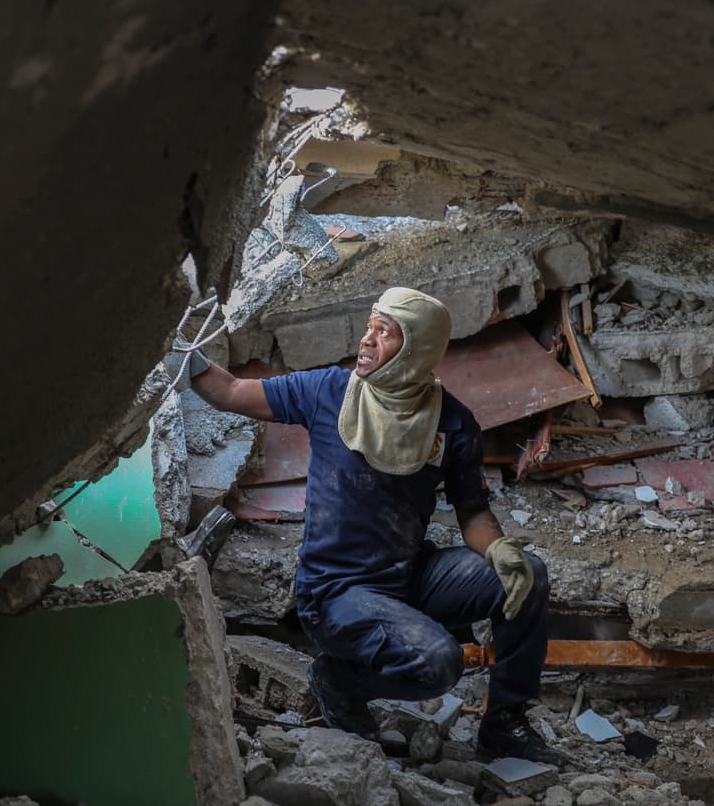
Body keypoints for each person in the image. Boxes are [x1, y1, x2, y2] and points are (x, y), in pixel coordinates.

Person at [178, 286, 564, 766]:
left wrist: (500, 548)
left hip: (408, 577)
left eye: (385, 332)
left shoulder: (451, 423)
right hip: (336, 593)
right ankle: (340, 682)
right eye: (369, 328)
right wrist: (180, 351)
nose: (367, 341)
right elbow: (230, 391)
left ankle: (504, 724)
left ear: (418, 347)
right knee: (440, 662)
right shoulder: (329, 392)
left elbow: (473, 513)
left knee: (528, 575)